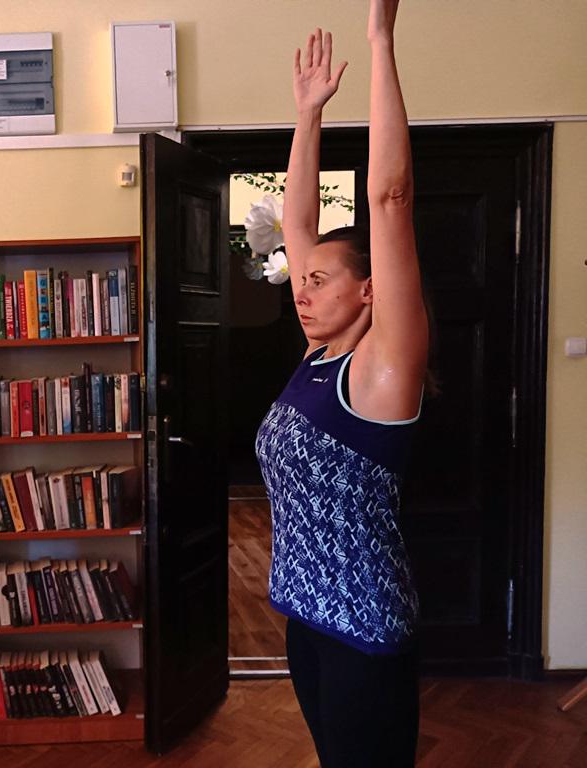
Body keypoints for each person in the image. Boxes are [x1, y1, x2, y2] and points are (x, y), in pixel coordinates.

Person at [255, 1, 427, 766]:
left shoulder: (384, 372)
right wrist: (308, 115)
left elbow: (390, 198)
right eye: (302, 278)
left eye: (320, 280)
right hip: (307, 618)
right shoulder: (316, 355)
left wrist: (380, 41)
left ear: (368, 291)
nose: (302, 288)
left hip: (364, 629)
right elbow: (296, 226)